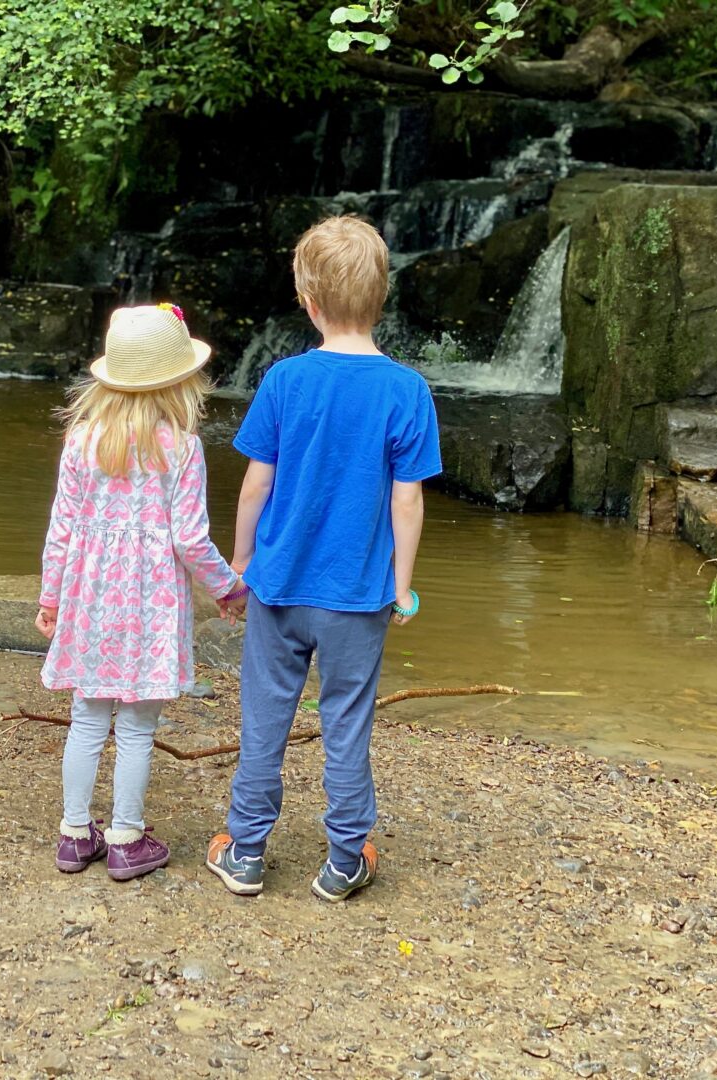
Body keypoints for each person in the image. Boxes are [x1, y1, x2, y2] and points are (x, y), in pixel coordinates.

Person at [207, 216, 441, 902]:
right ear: (382, 298)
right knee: (346, 723)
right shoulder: (407, 391)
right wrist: (402, 587)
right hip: (356, 597)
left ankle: (245, 852)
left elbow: (257, 483)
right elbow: (408, 504)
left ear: (308, 302)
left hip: (279, 588)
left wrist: (242, 563)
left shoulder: (285, 380)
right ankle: (343, 860)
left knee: (265, 719)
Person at [37, 303, 246, 882]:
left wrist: (51, 598)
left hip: (90, 598)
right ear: (181, 383)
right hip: (149, 605)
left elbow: (62, 526)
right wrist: (228, 588)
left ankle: (75, 835)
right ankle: (127, 839)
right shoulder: (180, 446)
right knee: (135, 727)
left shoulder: (82, 439)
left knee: (86, 718)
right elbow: (190, 538)